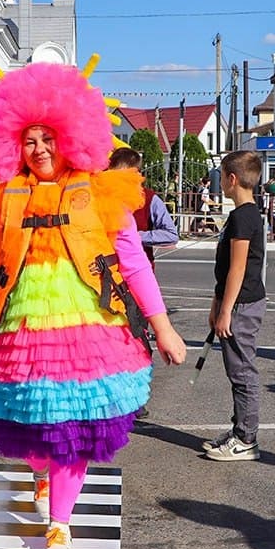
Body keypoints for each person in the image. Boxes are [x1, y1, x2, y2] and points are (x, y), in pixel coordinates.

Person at [0, 63, 187, 549]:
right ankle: (40, 472)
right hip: (23, 332)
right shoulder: (2, 202)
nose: (39, 148)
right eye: (29, 140)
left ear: (69, 137)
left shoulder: (103, 194)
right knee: (37, 427)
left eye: (48, 137)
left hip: (89, 331)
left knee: (75, 426)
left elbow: (133, 262)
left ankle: (59, 525)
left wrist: (163, 327)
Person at [202, 150, 267, 462]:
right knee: (237, 370)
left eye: (222, 177)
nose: (220, 184)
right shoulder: (242, 215)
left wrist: (226, 309)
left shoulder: (244, 217)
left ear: (231, 179)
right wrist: (217, 303)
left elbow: (237, 269)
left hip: (242, 305)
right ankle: (240, 428)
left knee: (242, 372)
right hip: (235, 302)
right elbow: (226, 266)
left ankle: (246, 438)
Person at [107, 146, 180, 420]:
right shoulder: (97, 198)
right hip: (104, 285)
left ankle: (137, 396)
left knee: (138, 340)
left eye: (132, 175)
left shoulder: (150, 200)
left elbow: (170, 234)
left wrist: (137, 236)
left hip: (134, 285)